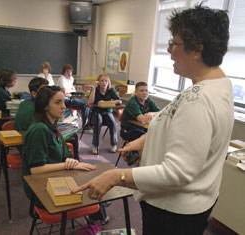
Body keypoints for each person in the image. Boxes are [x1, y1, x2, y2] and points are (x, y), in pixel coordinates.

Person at [71, 4, 234, 235]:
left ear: (197, 50)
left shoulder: (199, 99)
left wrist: (117, 176)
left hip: (174, 212)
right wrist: (149, 139)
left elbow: (177, 173)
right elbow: (193, 137)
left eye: (173, 44)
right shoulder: (219, 85)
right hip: (195, 202)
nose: (169, 51)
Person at [21, 86, 95, 209]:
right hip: (40, 188)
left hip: (55, 176)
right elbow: (36, 169)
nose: (64, 107)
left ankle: (96, 218)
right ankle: (95, 219)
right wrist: (68, 165)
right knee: (92, 192)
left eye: (64, 102)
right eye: (57, 102)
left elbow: (66, 153)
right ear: (45, 106)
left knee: (91, 183)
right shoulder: (39, 129)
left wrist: (69, 160)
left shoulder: (52, 126)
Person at [88, 74, 121, 155]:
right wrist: (93, 88)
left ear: (108, 82)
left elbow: (119, 101)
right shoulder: (96, 90)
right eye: (102, 81)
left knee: (112, 122)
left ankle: (114, 144)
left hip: (107, 111)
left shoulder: (111, 90)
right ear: (98, 82)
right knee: (98, 122)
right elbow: (91, 102)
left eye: (106, 81)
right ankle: (96, 145)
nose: (104, 83)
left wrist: (108, 102)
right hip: (96, 111)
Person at [56, 64, 91, 130]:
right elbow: (65, 92)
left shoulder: (71, 78)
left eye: (71, 71)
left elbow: (72, 90)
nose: (69, 73)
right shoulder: (62, 79)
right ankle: (85, 125)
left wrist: (70, 91)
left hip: (70, 98)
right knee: (84, 104)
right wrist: (70, 91)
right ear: (64, 72)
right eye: (67, 72)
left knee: (88, 103)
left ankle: (87, 124)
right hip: (63, 101)